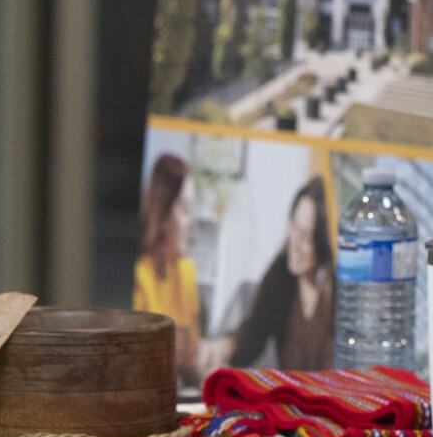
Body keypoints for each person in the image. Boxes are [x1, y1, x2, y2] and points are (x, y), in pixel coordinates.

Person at [214, 179, 334, 372]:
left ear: (322, 243)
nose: (294, 243)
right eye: (293, 227)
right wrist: (225, 347)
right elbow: (252, 338)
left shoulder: (335, 291)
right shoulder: (280, 276)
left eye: (305, 236)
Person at [133, 153, 202, 384]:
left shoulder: (187, 271)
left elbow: (191, 355)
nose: (191, 221)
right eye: (185, 209)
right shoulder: (139, 274)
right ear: (163, 216)